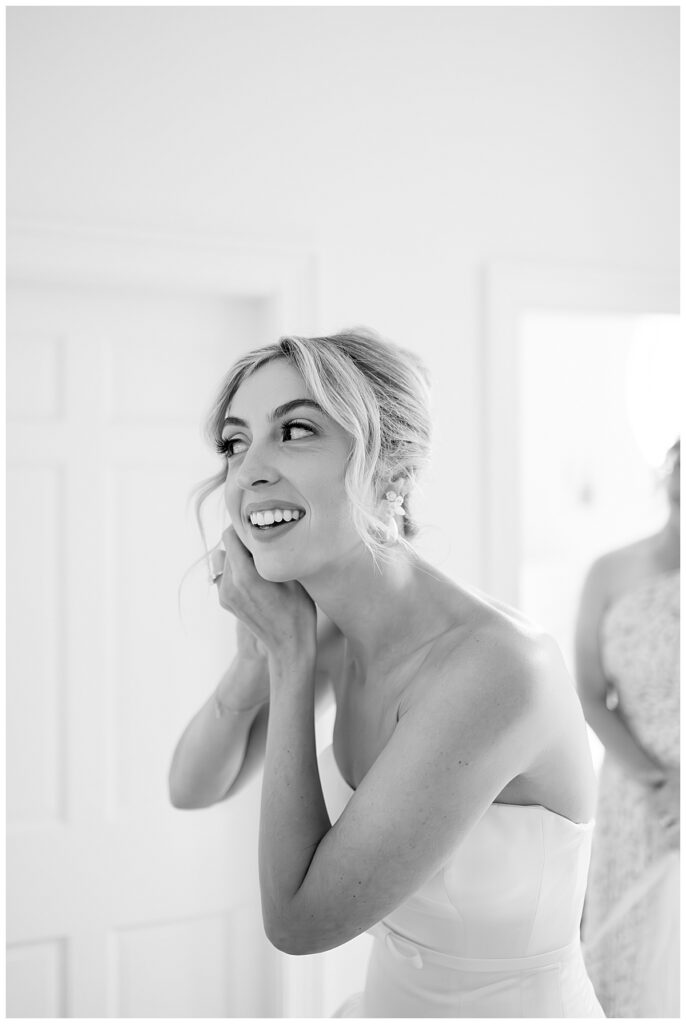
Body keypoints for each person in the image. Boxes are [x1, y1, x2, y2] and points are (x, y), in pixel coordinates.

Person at [169, 329, 604, 1017]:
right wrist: (255, 658)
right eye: (235, 442)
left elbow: (299, 923)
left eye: (296, 431)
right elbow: (192, 785)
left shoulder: (499, 670)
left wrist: (288, 657)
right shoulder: (333, 629)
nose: (249, 470)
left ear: (393, 471)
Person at [576, 439, 680, 1018]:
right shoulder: (610, 572)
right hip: (634, 793)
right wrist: (661, 782)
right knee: (625, 956)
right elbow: (590, 692)